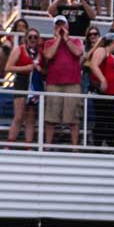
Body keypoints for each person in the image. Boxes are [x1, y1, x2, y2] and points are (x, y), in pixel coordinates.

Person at [42, 15, 85, 146]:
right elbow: (49, 55)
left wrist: (65, 39)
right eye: (57, 25)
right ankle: (48, 146)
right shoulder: (48, 43)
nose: (60, 27)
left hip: (72, 83)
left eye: (62, 24)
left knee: (73, 118)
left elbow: (78, 53)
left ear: (67, 26)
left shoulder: (76, 41)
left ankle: (75, 148)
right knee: (51, 117)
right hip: (54, 84)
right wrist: (58, 39)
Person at [5, 27, 42, 144]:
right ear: (26, 38)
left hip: (34, 83)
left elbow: (45, 69)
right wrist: (25, 68)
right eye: (30, 36)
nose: (32, 39)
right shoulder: (19, 49)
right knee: (19, 116)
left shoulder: (40, 52)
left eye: (35, 37)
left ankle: (28, 146)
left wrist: (40, 69)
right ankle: (9, 143)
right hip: (22, 81)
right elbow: (8, 67)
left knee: (31, 117)